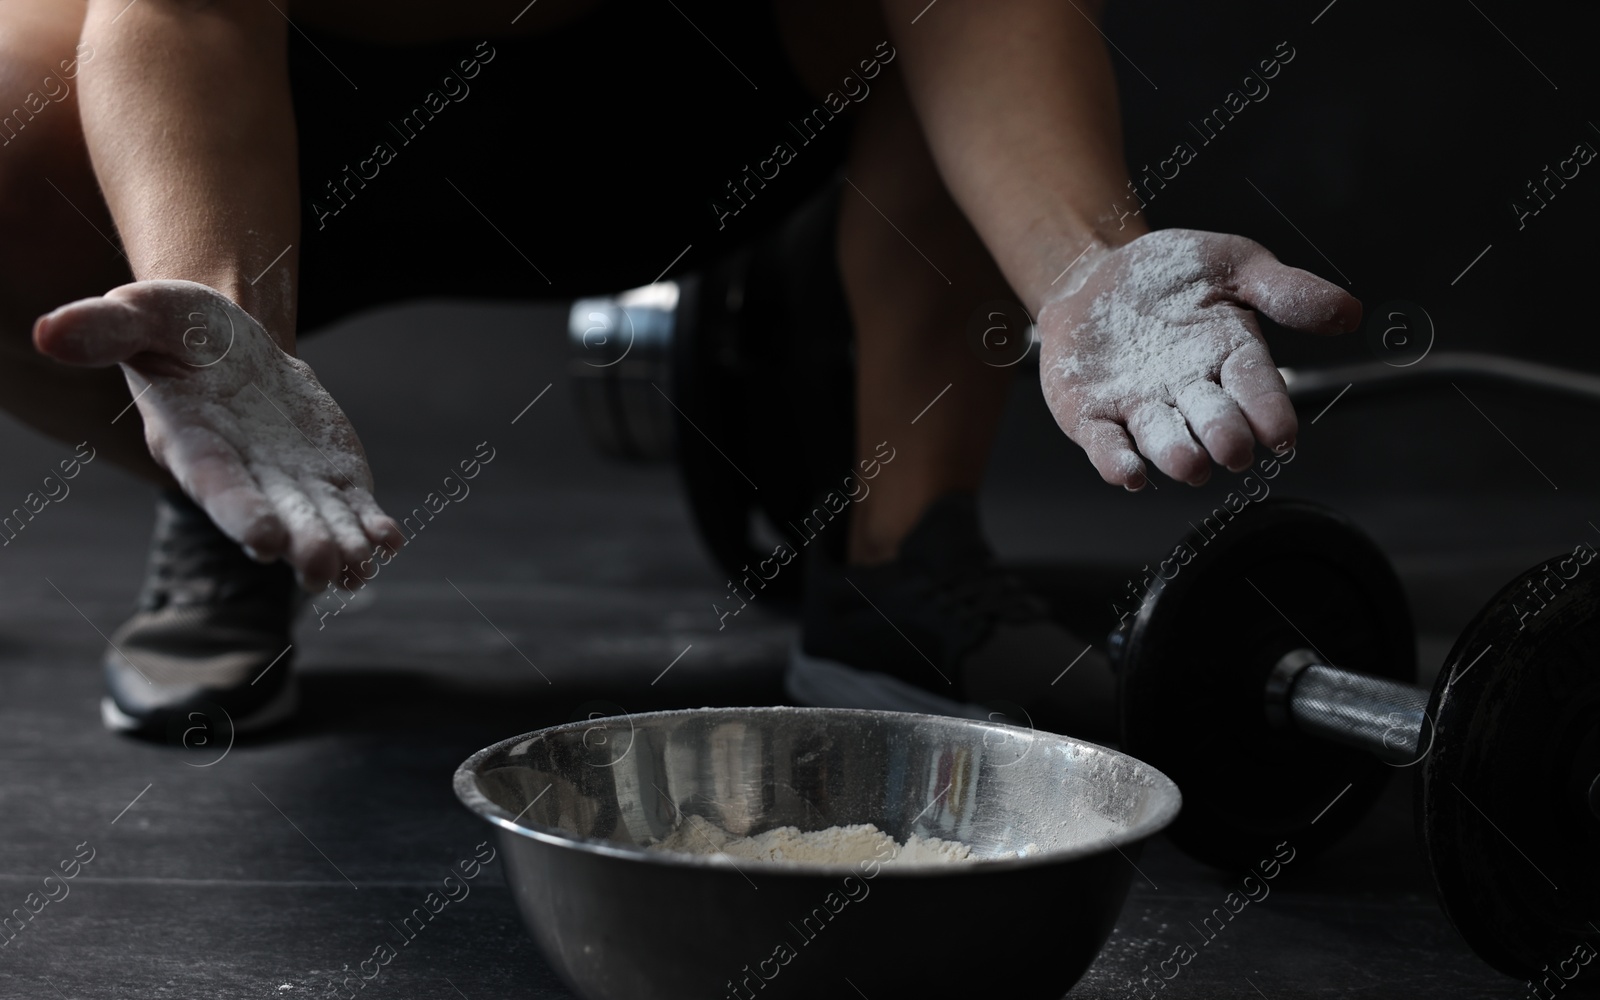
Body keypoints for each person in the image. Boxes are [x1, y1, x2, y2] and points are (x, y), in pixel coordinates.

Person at [1, 0, 1358, 740]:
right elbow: (182, 14)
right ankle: (236, 488)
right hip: (293, 113)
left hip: (689, 111)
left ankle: (902, 562)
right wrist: (224, 320)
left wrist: (1082, 266)